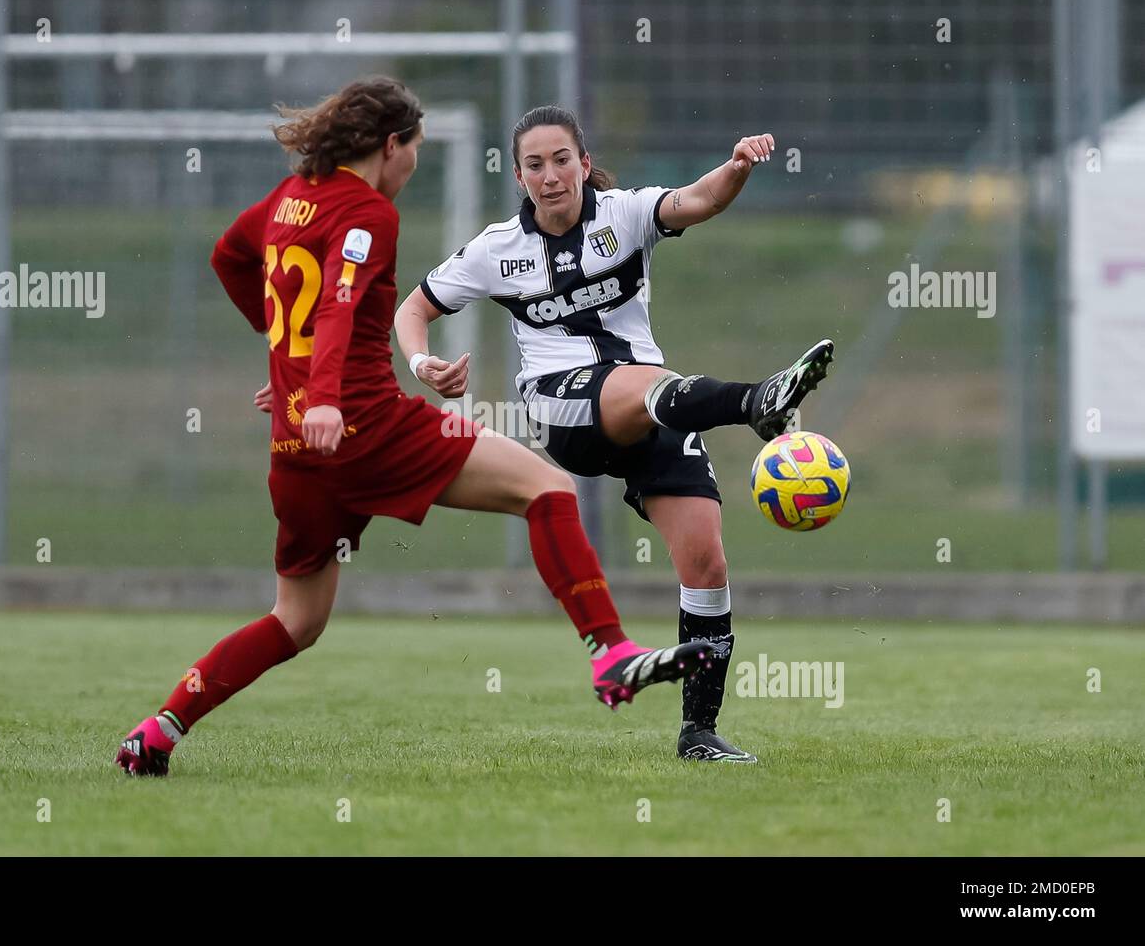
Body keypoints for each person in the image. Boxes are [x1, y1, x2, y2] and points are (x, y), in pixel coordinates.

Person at [114, 80, 716, 777]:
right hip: (366, 428)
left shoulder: (286, 200)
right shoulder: (369, 211)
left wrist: (294, 369)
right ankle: (611, 653)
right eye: (415, 152)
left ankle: (158, 730)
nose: (413, 167)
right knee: (548, 488)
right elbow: (339, 303)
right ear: (391, 145)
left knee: (295, 621)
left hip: (295, 449)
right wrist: (327, 395)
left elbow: (228, 254)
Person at [395, 105, 835, 763]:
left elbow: (697, 199)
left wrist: (737, 168)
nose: (551, 176)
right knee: (643, 384)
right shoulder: (496, 250)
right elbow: (415, 307)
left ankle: (699, 734)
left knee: (706, 562)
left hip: (656, 408)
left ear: (582, 162)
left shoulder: (623, 214)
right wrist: (421, 361)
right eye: (536, 165)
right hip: (563, 407)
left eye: (561, 160)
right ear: (519, 175)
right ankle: (756, 404)